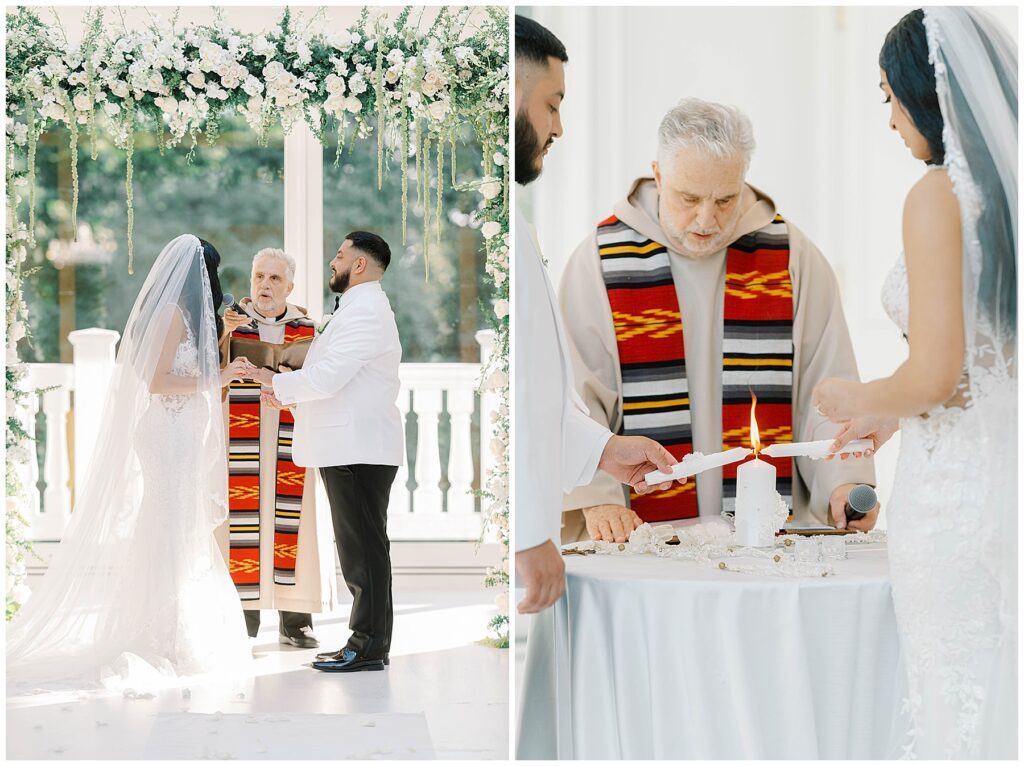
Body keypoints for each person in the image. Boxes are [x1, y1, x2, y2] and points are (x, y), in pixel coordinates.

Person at [813, 8, 1017, 758]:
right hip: (1004, 467)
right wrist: (896, 416)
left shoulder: (938, 195)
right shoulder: (1008, 198)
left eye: (888, 97)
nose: (890, 120)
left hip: (957, 495)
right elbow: (984, 365)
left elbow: (934, 375)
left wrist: (859, 396)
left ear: (920, 94)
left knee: (955, 695)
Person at [558, 97, 877, 544]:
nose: (706, 219)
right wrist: (599, 493)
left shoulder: (790, 256)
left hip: (766, 538)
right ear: (658, 173)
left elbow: (826, 387)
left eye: (725, 199)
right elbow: (576, 394)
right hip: (641, 529)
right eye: (689, 198)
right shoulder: (600, 259)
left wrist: (845, 482)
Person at [7, 235, 256, 692]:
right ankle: (162, 633)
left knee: (178, 525)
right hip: (168, 433)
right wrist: (219, 376)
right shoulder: (168, 315)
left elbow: (191, 366)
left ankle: (174, 627)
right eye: (209, 273)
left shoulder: (186, 317)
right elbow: (159, 379)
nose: (212, 282)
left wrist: (223, 339)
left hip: (182, 431)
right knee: (171, 524)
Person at [514, 14, 681, 615]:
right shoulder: (518, 226)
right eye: (551, 104)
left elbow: (539, 392)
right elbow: (522, 394)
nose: (560, 126)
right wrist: (530, 533)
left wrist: (605, 451)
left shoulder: (515, 220)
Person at [251, 232, 403, 673]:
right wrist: (291, 394)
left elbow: (330, 377)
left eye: (338, 256)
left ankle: (368, 645)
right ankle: (366, 642)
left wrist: (273, 383)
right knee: (360, 549)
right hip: (349, 443)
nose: (332, 262)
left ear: (359, 265)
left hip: (358, 447)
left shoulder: (368, 311)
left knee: (364, 553)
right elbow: (331, 375)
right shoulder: (356, 309)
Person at [218, 248, 337, 649]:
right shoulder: (231, 324)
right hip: (241, 433)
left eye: (274, 279)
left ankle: (295, 618)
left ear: (290, 286)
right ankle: (243, 617)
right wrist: (222, 333)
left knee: (295, 521)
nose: (264, 286)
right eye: (259, 277)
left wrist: (283, 376)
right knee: (240, 522)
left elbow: (323, 379)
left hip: (292, 431)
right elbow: (207, 369)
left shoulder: (309, 330)